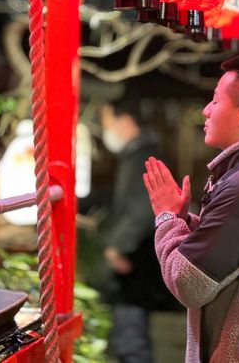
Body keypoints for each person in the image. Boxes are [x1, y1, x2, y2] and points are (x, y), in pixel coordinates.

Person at [143, 53, 239, 363]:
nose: (206, 110)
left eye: (215, 101)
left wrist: (165, 218)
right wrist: (182, 219)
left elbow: (188, 283)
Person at [98, 99, 179, 363]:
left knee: (131, 340)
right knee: (132, 335)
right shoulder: (140, 153)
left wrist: (118, 247)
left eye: (107, 122)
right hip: (139, 259)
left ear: (126, 121)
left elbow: (143, 209)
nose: (104, 129)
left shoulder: (143, 157)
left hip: (135, 261)